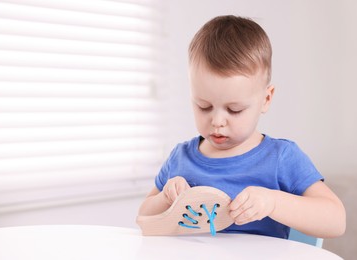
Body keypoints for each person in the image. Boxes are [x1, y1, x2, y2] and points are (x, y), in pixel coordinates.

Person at [138, 15, 346, 239]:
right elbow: (143, 219)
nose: (217, 121)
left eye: (234, 110)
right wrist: (166, 198)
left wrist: (273, 202)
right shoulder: (180, 159)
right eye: (204, 106)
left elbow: (336, 221)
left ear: (266, 99)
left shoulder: (281, 158)